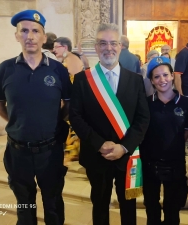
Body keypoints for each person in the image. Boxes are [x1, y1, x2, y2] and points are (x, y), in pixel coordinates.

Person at [0, 10, 72, 225]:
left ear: (44, 38)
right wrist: (17, 122)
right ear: (17, 36)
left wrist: (54, 121)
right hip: (18, 154)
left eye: (36, 31)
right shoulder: (5, 69)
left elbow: (69, 105)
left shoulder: (58, 70)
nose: (30, 36)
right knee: (25, 208)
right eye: (24, 31)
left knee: (53, 206)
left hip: (50, 152)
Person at [69, 23, 150, 225]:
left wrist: (123, 147)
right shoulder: (82, 80)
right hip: (97, 156)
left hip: (127, 156)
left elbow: (143, 118)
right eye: (103, 43)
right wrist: (100, 144)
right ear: (96, 47)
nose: (109, 48)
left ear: (120, 46)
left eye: (113, 43)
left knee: (128, 207)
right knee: (100, 204)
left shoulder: (135, 80)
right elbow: (76, 117)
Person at [140, 57, 188, 225]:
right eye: (157, 77)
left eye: (165, 75)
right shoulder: (146, 104)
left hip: (175, 164)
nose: (162, 80)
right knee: (151, 205)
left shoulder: (185, 104)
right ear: (152, 81)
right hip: (150, 164)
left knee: (173, 207)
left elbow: (186, 133)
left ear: (172, 76)